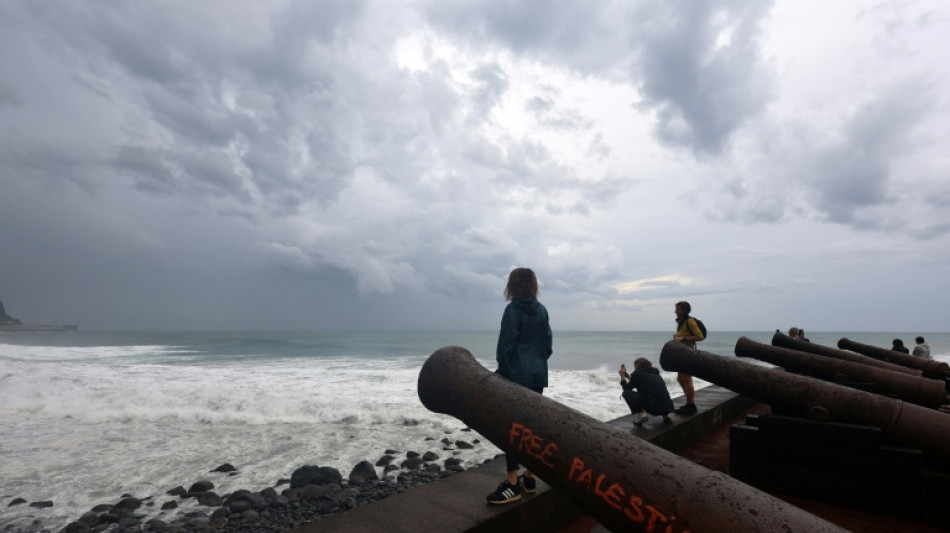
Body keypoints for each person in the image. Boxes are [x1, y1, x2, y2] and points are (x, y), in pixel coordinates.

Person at [485, 267, 553, 505]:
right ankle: (530, 478)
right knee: (531, 426)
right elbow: (548, 346)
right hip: (537, 375)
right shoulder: (542, 310)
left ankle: (512, 483)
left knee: (511, 428)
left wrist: (504, 371)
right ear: (533, 284)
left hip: (515, 375)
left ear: (512, 285)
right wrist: (536, 363)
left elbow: (506, 345)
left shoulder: (512, 310)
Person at [620, 358, 674, 425]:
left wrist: (622, 376)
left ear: (637, 366)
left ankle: (641, 415)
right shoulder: (656, 374)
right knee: (657, 394)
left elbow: (626, 388)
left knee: (626, 393)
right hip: (667, 408)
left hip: (653, 409)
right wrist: (627, 376)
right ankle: (666, 416)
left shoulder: (637, 374)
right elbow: (640, 383)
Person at [673, 301, 704, 415]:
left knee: (686, 379)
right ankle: (689, 403)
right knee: (680, 379)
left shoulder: (690, 321)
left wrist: (683, 338)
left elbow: (700, 336)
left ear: (684, 310)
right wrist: (678, 337)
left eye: (677, 309)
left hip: (688, 353)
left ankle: (690, 405)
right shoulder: (682, 321)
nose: (675, 311)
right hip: (682, 353)